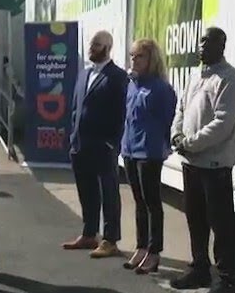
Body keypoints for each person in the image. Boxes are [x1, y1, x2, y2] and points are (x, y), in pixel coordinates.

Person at [170, 26, 235, 293]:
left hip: (215, 165)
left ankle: (227, 282)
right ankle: (200, 269)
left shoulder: (229, 79)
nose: (202, 46)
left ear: (221, 46)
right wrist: (177, 135)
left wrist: (190, 142)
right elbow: (181, 109)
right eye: (201, 41)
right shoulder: (195, 75)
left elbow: (223, 124)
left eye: (208, 42)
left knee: (221, 225)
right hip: (191, 162)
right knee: (196, 219)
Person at [62, 30, 129, 259]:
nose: (92, 49)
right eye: (91, 45)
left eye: (97, 45)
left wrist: (113, 143)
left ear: (108, 48)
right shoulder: (84, 74)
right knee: (86, 191)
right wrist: (73, 136)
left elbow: (122, 113)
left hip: (103, 145)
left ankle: (110, 239)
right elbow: (76, 107)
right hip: (80, 144)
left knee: (108, 192)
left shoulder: (117, 77)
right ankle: (89, 233)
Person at [120, 38, 176, 275]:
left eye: (139, 56)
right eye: (132, 56)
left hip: (149, 151)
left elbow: (166, 120)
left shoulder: (161, 88)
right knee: (139, 202)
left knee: (152, 202)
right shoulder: (132, 85)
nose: (134, 60)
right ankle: (141, 246)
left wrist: (158, 142)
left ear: (151, 59)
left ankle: (154, 252)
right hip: (130, 150)